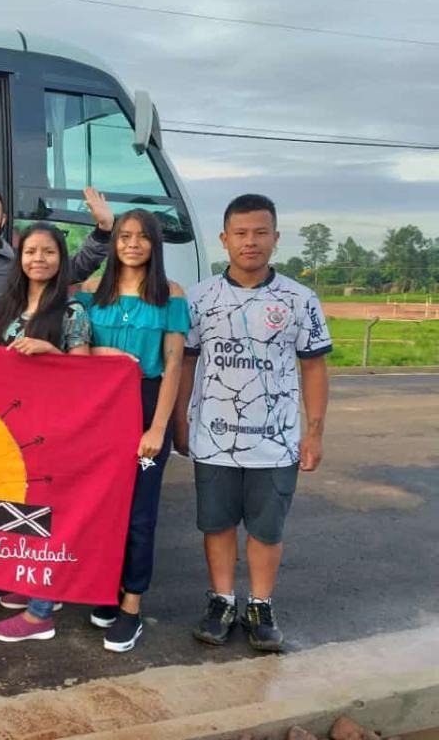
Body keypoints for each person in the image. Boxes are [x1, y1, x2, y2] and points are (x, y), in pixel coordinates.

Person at [174, 194, 331, 652]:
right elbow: (185, 362)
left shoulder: (300, 300)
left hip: (276, 442)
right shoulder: (201, 298)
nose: (250, 242)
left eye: (260, 233)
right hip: (214, 437)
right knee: (217, 524)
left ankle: (261, 606)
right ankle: (221, 601)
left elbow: (314, 368)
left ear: (275, 239)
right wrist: (183, 421)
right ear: (224, 239)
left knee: (266, 529)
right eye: (240, 233)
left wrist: (314, 432)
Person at [0, 222, 91, 643]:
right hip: (7, 427)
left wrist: (50, 350)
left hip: (52, 428)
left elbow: (84, 375)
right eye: (31, 251)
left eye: (49, 252)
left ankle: (41, 614)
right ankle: (33, 581)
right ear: (20, 259)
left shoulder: (72, 313)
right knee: (20, 507)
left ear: (61, 260)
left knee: (47, 512)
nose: (39, 259)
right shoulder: (5, 303)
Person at [75, 209, 188, 653]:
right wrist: (104, 351)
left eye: (142, 237)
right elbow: (77, 347)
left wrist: (158, 428)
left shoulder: (170, 295)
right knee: (103, 510)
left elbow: (175, 364)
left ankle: (131, 606)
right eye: (124, 236)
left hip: (145, 406)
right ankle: (107, 590)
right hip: (101, 412)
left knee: (140, 514)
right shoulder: (90, 291)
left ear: (154, 244)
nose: (132, 244)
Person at [0, 185, 114, 340]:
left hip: (25, 360)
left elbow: (76, 267)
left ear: (2, 220)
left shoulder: (27, 262)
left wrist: (104, 229)